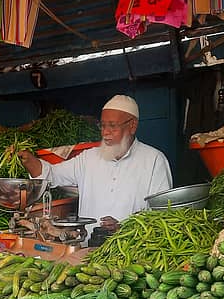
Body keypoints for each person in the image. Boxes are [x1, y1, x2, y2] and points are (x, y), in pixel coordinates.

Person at [18, 95, 172, 236]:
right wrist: (30, 161)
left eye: (112, 126)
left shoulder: (154, 160)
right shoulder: (89, 158)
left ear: (132, 126)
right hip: (88, 250)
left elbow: (163, 216)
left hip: (131, 253)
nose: (105, 133)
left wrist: (124, 228)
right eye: (103, 126)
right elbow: (51, 175)